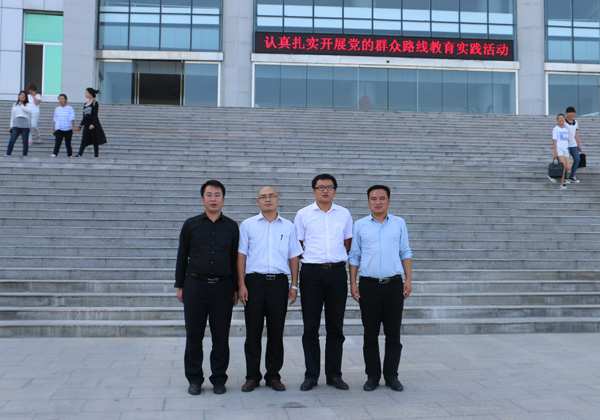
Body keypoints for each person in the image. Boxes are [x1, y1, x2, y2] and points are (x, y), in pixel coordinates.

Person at [175, 180, 239, 396]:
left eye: (217, 195)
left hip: (223, 287)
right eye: (209, 195)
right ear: (203, 198)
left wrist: (237, 287)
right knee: (194, 335)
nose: (213, 198)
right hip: (195, 286)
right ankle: (194, 379)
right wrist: (179, 285)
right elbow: (182, 256)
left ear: (223, 199)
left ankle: (219, 378)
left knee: (221, 335)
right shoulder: (191, 224)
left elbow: (234, 258)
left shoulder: (232, 226)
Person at [237, 186, 303, 393]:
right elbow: (241, 256)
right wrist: (241, 284)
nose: (267, 200)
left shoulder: (289, 226)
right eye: (263, 197)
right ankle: (252, 376)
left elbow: (294, 256)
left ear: (277, 199)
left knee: (276, 331)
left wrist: (294, 284)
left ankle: (273, 375)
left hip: (278, 284)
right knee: (253, 332)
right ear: (257, 201)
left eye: (271, 196)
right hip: (254, 283)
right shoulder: (247, 225)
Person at [349, 185, 413, 393]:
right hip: (369, 285)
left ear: (388, 201)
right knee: (370, 334)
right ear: (368, 201)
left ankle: (392, 375)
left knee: (393, 334)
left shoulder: (399, 223)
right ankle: (373, 376)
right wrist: (353, 283)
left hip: (394, 284)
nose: (378, 202)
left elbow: (405, 251)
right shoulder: (359, 225)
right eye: (373, 198)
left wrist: (408, 279)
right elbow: (355, 256)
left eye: (382, 198)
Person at [294, 174, 353, 391]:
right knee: (310, 326)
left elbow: (348, 242)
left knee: (335, 326)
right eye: (320, 187)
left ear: (335, 191)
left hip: (337, 273)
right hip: (311, 273)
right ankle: (311, 375)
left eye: (329, 187)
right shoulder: (303, 214)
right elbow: (298, 244)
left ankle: (334, 375)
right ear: (314, 191)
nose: (325, 191)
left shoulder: (344, 214)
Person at [76, 88, 106, 158]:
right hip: (86, 124)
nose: (85, 94)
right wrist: (80, 125)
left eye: (86, 92)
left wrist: (93, 124)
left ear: (90, 94)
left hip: (93, 124)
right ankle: (79, 154)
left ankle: (96, 155)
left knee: (95, 140)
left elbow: (95, 115)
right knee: (84, 139)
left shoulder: (95, 103)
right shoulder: (85, 104)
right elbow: (84, 116)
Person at [5, 91, 32, 157]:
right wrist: (11, 126)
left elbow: (29, 111)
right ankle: (8, 154)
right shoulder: (14, 105)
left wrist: (22, 105)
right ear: (18, 96)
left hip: (25, 125)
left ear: (25, 97)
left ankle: (24, 155)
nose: (22, 96)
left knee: (25, 142)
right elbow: (12, 116)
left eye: (23, 95)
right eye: (21, 95)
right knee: (12, 140)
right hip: (16, 124)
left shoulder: (28, 104)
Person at [549, 113, 572, 190]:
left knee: (568, 167)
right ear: (557, 120)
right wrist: (555, 152)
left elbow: (567, 140)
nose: (561, 120)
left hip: (566, 149)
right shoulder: (555, 129)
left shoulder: (566, 129)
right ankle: (562, 184)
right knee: (563, 166)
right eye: (560, 119)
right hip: (559, 149)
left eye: (562, 118)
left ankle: (556, 177)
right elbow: (554, 141)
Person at [565, 106, 583, 183]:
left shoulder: (576, 122)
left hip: (573, 145)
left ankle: (572, 176)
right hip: (565, 145)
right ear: (567, 114)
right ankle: (565, 177)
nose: (573, 115)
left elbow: (576, 134)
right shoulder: (564, 122)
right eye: (571, 113)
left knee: (577, 159)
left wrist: (579, 144)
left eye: (574, 114)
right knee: (567, 161)